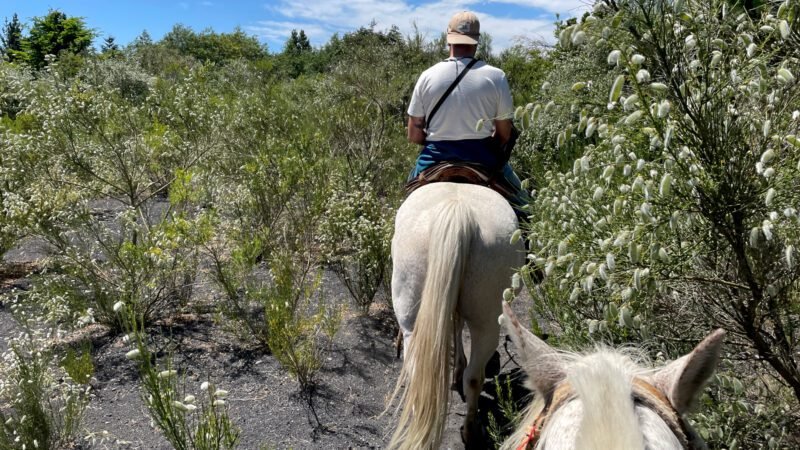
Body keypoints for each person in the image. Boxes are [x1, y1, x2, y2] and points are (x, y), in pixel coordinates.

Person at [406, 11, 529, 220]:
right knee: (526, 207)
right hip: (482, 158)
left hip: (434, 158)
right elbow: (504, 135)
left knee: (406, 204)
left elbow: (414, 135)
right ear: (477, 41)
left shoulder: (427, 76)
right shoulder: (496, 76)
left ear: (448, 39)